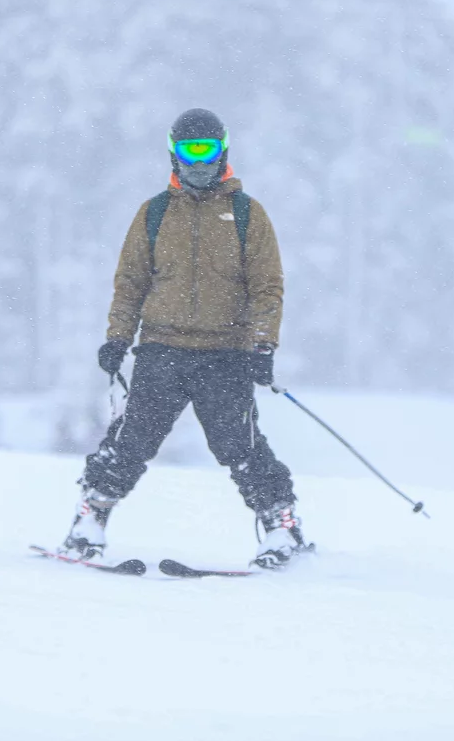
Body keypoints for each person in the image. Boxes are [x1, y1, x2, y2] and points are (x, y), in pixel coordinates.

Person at [56, 108, 307, 569]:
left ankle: (281, 526)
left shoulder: (247, 215)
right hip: (161, 349)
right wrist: (117, 338)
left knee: (240, 446)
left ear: (223, 151)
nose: (199, 163)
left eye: (207, 151)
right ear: (173, 154)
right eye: (189, 152)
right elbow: (130, 282)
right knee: (132, 441)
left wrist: (262, 345)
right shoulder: (154, 214)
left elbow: (266, 286)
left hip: (225, 354)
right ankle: (88, 523)